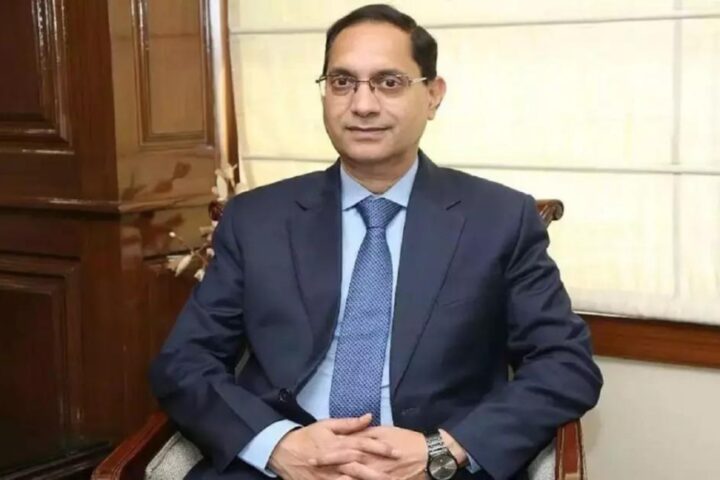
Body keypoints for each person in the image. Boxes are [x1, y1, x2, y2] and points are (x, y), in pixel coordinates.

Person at [149, 4, 602, 480]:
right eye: (342, 82)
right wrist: (276, 444)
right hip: (284, 464)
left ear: (433, 95)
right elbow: (185, 361)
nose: (362, 105)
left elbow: (565, 363)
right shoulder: (258, 219)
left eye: (389, 82)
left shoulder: (499, 219)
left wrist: (442, 450)